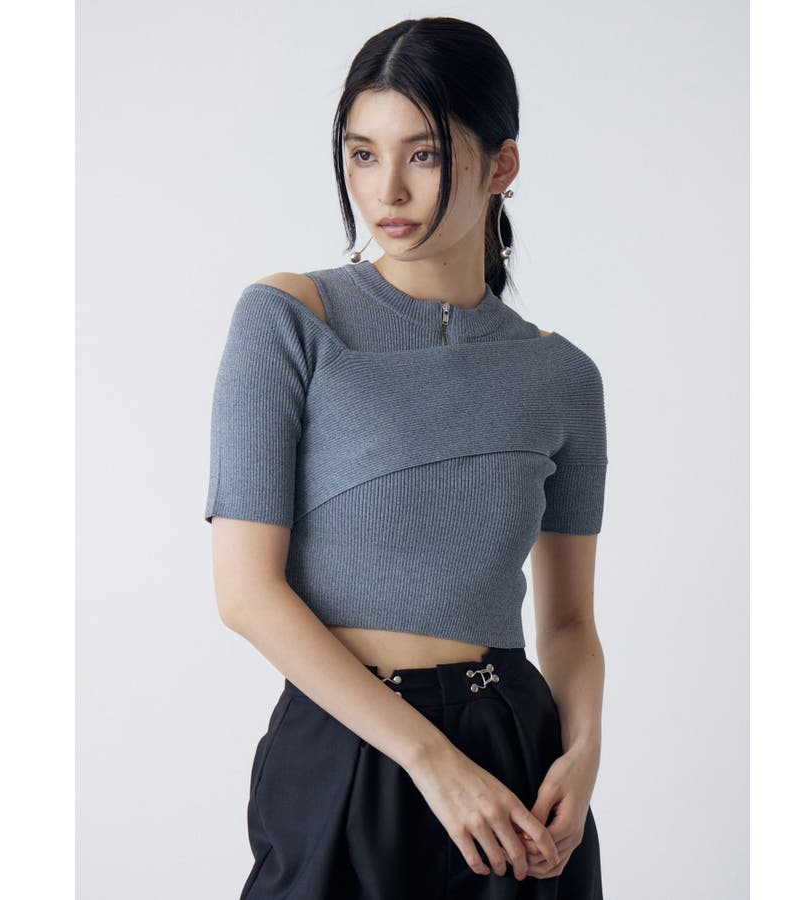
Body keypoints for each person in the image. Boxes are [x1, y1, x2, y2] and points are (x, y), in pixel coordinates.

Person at [205, 16, 608, 900]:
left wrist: (582, 755)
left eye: (424, 155)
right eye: (362, 154)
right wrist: (432, 760)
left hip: (515, 759)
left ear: (502, 165)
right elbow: (245, 593)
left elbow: (570, 623)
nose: (386, 189)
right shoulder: (288, 320)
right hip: (345, 743)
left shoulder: (563, 377)